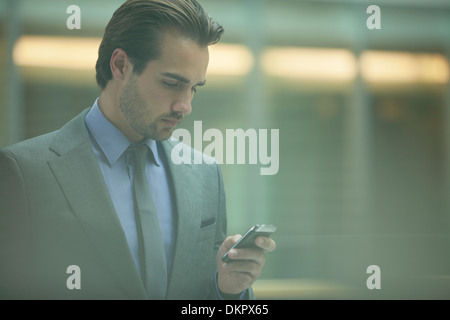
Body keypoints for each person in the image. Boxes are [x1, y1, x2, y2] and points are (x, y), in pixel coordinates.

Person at [0, 0, 276, 299]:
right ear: (120, 65)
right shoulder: (25, 173)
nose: (185, 106)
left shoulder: (205, 176)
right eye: (172, 83)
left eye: (194, 88)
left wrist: (228, 290)